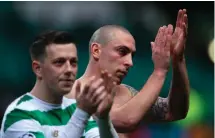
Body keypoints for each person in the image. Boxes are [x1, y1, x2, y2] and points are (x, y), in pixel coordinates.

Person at [66, 9, 190, 138]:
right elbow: (125, 120)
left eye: (132, 55)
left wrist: (178, 60)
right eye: (122, 51)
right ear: (96, 50)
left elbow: (174, 112)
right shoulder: (71, 95)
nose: (130, 62)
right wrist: (159, 72)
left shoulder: (126, 93)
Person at [0, 30, 118, 138]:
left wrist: (103, 118)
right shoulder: (19, 114)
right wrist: (83, 113)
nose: (69, 70)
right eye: (59, 62)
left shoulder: (74, 108)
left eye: (73, 62)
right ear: (38, 69)